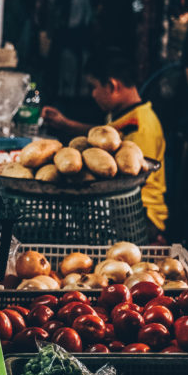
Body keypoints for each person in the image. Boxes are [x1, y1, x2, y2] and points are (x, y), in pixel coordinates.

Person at [42, 48, 168, 239]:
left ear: (111, 85)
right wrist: (65, 124)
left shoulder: (141, 126)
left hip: (139, 213)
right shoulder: (123, 116)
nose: (92, 94)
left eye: (93, 86)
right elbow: (100, 134)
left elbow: (131, 174)